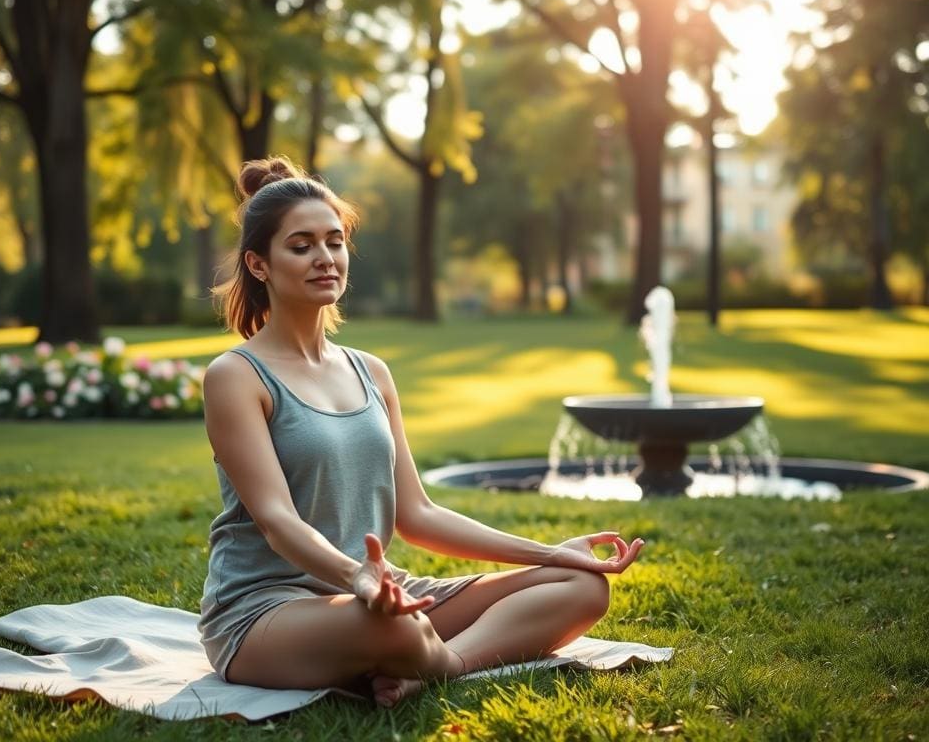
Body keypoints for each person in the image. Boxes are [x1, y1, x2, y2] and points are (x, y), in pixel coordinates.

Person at [197, 156, 645, 708]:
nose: (325, 258)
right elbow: (277, 521)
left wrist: (550, 554)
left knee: (582, 588)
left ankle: (442, 666)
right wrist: (359, 577)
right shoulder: (236, 377)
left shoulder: (371, 372)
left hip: (378, 593)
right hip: (268, 610)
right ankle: (429, 655)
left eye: (334, 242)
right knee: (394, 630)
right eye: (302, 245)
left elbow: (419, 515)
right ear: (259, 264)